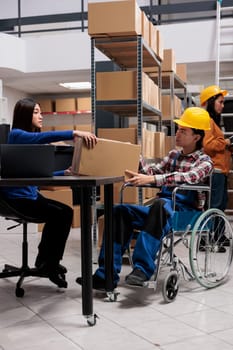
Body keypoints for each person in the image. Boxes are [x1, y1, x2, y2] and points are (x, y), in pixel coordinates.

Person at [76, 107, 213, 290]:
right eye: (178, 129)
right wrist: (133, 155)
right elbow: (151, 171)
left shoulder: (204, 162)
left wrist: (154, 179)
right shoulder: (173, 155)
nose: (177, 133)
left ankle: (142, 270)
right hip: (161, 208)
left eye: (183, 131)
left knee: (159, 204)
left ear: (196, 137)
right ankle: (105, 275)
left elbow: (189, 178)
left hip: (185, 213)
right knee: (119, 211)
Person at [0, 98, 97, 288]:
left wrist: (64, 173)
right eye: (36, 112)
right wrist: (74, 132)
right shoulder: (17, 135)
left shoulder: (27, 142)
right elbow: (39, 138)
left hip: (30, 196)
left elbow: (37, 174)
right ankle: (48, 264)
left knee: (65, 212)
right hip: (16, 200)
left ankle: (46, 262)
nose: (40, 116)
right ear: (24, 114)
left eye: (40, 112)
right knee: (61, 214)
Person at [200, 85, 231, 251]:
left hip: (221, 171)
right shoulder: (207, 121)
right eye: (220, 102)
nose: (223, 105)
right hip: (215, 171)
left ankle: (218, 236)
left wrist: (227, 147)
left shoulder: (213, 122)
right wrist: (224, 143)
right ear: (211, 102)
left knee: (220, 205)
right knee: (214, 205)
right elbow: (207, 145)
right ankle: (206, 239)